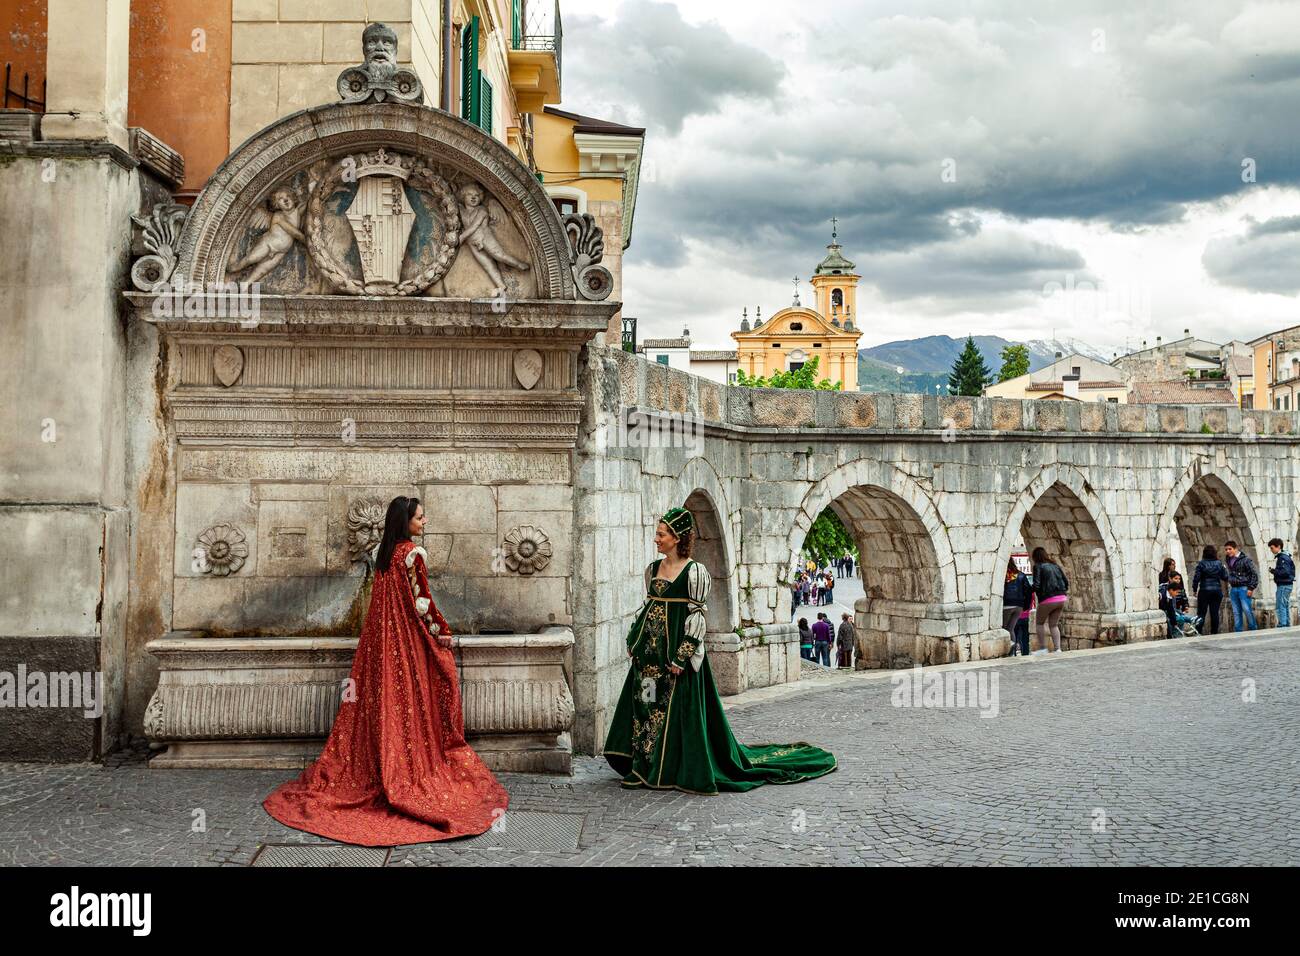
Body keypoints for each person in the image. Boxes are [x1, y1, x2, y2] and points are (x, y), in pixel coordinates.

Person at [263, 496, 508, 845]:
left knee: (381, 702)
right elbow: (423, 603)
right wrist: (443, 632)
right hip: (406, 644)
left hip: (380, 647)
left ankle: (378, 768)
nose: (424, 523)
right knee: (412, 699)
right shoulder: (412, 555)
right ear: (405, 522)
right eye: (420, 518)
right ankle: (409, 769)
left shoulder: (384, 556)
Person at [604, 506, 837, 793]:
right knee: (645, 709)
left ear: (676, 538)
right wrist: (633, 641)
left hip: (674, 661)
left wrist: (683, 655)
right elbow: (647, 608)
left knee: (673, 712)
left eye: (661, 534)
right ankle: (643, 767)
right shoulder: (652, 569)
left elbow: (696, 617)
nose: (656, 539)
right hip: (647, 662)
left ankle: (671, 770)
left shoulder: (695, 573)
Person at [1031, 546, 1069, 653]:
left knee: (1039, 623)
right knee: (1053, 624)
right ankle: (1058, 649)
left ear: (1035, 557)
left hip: (1048, 599)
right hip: (1061, 598)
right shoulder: (1055, 565)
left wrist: (1029, 589)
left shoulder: (1038, 566)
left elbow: (1037, 585)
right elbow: (1066, 582)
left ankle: (1043, 648)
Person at [1192, 545, 1229, 635]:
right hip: (1216, 590)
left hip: (1204, 590)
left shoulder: (1201, 564)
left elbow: (1196, 578)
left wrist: (1194, 589)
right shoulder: (1219, 563)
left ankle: (1198, 632)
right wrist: (1224, 568)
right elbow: (1225, 577)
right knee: (1214, 613)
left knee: (1201, 613)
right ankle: (1214, 633)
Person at [1224, 540, 1259, 632]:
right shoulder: (1228, 559)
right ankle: (1238, 630)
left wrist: (1251, 588)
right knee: (1236, 611)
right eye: (1226, 549)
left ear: (1235, 549)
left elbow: (1254, 574)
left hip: (1244, 588)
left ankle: (1253, 628)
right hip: (1233, 589)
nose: (1228, 551)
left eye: (1230, 549)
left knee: (1247, 610)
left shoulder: (1245, 560)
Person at [1002, 558, 1033, 656]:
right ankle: (1012, 652)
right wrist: (1025, 606)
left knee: (1004, 629)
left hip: (1007, 604)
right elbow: (1028, 591)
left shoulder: (1002, 575)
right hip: (1019, 606)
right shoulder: (1021, 575)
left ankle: (1009, 651)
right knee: (1011, 629)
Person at [1268, 538, 1294, 628]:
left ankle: (1282, 624)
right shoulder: (1284, 556)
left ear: (1278, 547)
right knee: (1285, 605)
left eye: (1272, 548)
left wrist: (1274, 571)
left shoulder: (1283, 557)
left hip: (1284, 585)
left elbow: (1285, 572)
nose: (1271, 550)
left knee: (1280, 606)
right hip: (1286, 585)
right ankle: (1286, 624)